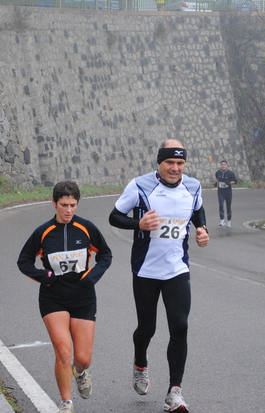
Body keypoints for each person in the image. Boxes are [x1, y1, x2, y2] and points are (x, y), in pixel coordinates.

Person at [108, 140, 209, 413]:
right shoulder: (140, 186)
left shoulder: (193, 186)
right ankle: (140, 363)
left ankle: (174, 392)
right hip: (146, 270)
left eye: (180, 164)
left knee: (180, 326)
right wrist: (138, 223)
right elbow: (114, 217)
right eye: (169, 163)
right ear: (159, 163)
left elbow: (197, 210)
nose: (175, 169)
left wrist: (202, 229)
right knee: (147, 328)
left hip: (177, 269)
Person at [18, 181, 112, 413]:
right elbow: (24, 261)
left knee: (82, 358)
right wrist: (44, 276)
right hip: (53, 298)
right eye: (63, 205)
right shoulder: (43, 232)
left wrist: (91, 277)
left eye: (72, 205)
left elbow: (106, 255)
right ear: (54, 203)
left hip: (83, 297)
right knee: (63, 351)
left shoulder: (87, 228)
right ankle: (66, 403)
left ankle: (80, 373)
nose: (68, 210)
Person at [213, 160, 238, 227]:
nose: (223, 166)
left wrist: (229, 183)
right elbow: (217, 179)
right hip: (220, 191)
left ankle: (229, 221)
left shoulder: (230, 173)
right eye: (222, 164)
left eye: (224, 164)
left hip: (228, 192)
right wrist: (216, 182)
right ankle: (222, 220)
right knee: (221, 205)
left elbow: (235, 181)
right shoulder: (218, 172)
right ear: (220, 165)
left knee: (228, 206)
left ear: (227, 165)